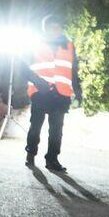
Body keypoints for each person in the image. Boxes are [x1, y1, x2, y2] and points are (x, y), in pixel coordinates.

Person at [25, 14, 82, 173]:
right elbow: (23, 68)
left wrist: (78, 91)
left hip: (61, 93)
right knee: (36, 125)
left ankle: (52, 159)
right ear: (45, 29)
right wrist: (39, 83)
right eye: (51, 27)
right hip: (40, 92)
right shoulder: (35, 44)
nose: (55, 30)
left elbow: (73, 70)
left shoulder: (69, 45)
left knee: (57, 130)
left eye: (58, 27)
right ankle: (30, 153)